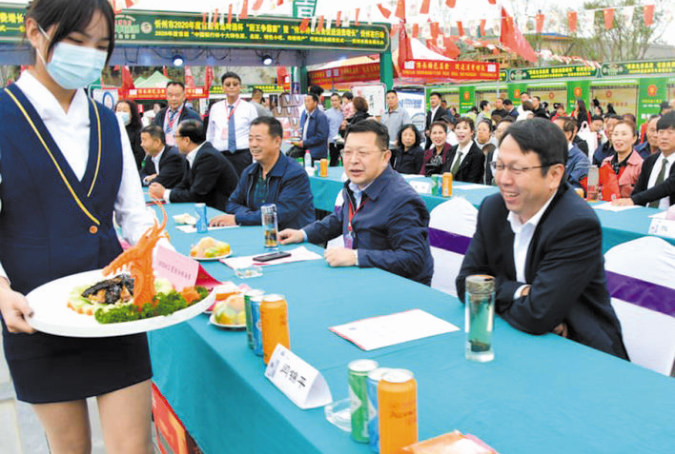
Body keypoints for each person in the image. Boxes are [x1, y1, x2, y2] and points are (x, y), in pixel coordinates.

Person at [0, 1, 157, 452]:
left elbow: (135, 215)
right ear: (35, 32)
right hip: (36, 314)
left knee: (134, 446)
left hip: (115, 307)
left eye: (101, 45)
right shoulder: (4, 117)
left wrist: (172, 270)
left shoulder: (108, 122)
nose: (89, 54)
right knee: (70, 448)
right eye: (76, 40)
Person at [456, 119, 628, 359]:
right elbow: (465, 284)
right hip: (520, 338)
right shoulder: (493, 208)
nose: (503, 179)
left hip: (580, 350)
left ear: (554, 175)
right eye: (500, 166)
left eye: (517, 169)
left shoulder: (576, 223)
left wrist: (494, 293)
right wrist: (522, 292)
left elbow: (537, 314)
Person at [278, 121, 434, 285]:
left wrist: (356, 256)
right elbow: (340, 219)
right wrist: (303, 234)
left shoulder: (402, 200)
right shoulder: (356, 185)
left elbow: (413, 258)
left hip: (397, 287)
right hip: (363, 278)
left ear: (385, 157)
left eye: (363, 153)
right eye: (347, 152)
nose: (353, 160)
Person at [209, 117, 315, 230]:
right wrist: (252, 216)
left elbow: (279, 214)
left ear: (277, 141)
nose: (253, 144)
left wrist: (240, 218)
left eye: (259, 139)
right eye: (250, 139)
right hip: (257, 233)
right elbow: (232, 204)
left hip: (289, 237)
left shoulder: (295, 174)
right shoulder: (249, 172)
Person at [149, 120, 239, 212]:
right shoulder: (195, 154)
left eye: (176, 137)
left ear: (186, 140)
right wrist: (166, 192)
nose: (175, 142)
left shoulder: (208, 157)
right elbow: (184, 184)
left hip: (223, 211)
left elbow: (198, 195)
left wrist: (165, 193)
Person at [614, 112, 675, 208]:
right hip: (644, 214)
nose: (664, 137)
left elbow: (668, 186)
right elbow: (638, 191)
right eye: (661, 132)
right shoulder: (650, 161)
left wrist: (633, 200)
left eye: (670, 133)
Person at [206, 71, 259, 176]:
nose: (231, 87)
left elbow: (256, 133)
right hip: (220, 155)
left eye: (235, 84)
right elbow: (210, 134)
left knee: (243, 184)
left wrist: (255, 159)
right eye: (228, 84)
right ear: (223, 87)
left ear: (240, 87)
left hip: (242, 155)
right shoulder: (215, 108)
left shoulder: (249, 108)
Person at [598, 120, 642, 200]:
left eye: (624, 134)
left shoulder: (640, 165)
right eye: (615, 134)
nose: (618, 138)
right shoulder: (606, 162)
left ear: (634, 138)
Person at [153, 81, 202, 146]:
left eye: (177, 95)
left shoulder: (193, 116)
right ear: (166, 96)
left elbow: (199, 140)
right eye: (170, 95)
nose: (173, 98)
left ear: (184, 96)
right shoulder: (160, 115)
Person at [440, 117, 485, 184]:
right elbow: (444, 173)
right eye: (458, 128)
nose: (460, 131)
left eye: (465, 128)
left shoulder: (477, 154)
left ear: (471, 132)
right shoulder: (451, 150)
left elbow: (473, 180)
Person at [553, 116, 590, 189]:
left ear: (568, 134)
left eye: (555, 131)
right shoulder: (546, 154)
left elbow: (575, 189)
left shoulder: (581, 160)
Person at [293, 93, 329, 163]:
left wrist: (305, 142)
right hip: (306, 151)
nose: (306, 103)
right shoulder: (305, 114)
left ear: (315, 103)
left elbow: (321, 136)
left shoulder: (321, 117)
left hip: (317, 153)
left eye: (308, 101)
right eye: (305, 101)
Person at [115, 99, 144, 169]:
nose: (121, 113)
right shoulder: (111, 130)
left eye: (124, 111)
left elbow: (139, 155)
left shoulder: (138, 132)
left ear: (132, 114)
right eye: (119, 110)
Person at [325, 93, 344, 166]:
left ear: (340, 100)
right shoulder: (327, 113)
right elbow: (325, 128)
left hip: (343, 141)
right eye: (332, 100)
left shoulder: (344, 112)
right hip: (333, 141)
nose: (334, 102)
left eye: (335, 100)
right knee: (333, 162)